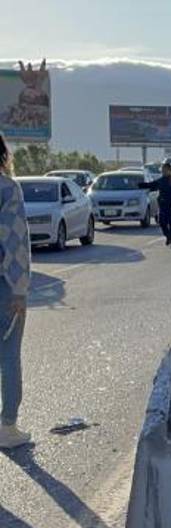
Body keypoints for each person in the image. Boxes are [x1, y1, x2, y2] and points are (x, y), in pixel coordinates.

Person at [0, 133, 31, 449]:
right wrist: (20, 290)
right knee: (9, 355)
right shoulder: (7, 189)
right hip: (4, 285)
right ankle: (7, 426)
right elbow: (15, 242)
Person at [138, 163, 171, 247]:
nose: (163, 172)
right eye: (162, 170)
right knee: (162, 223)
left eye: (164, 170)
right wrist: (139, 185)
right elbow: (152, 185)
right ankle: (168, 236)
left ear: (169, 170)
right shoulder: (161, 180)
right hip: (163, 205)